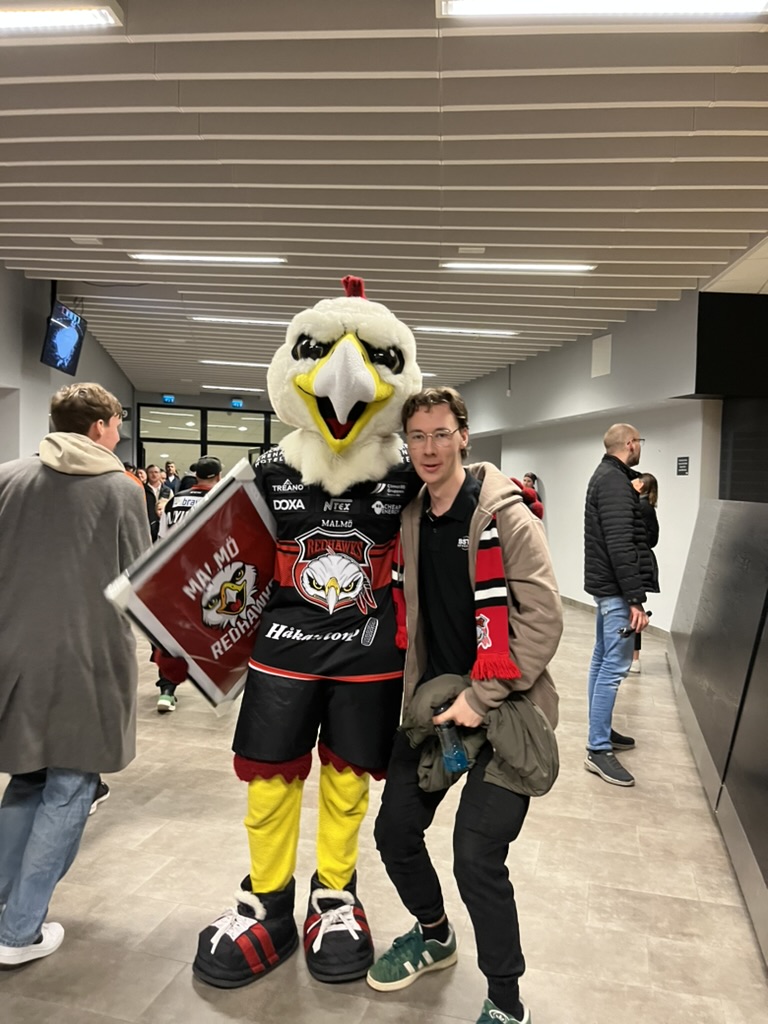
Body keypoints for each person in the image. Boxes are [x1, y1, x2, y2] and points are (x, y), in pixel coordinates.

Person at [192, 277, 423, 989]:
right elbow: (213, 568)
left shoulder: (409, 475)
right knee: (270, 781)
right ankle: (268, 901)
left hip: (370, 657)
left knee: (350, 782)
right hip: (282, 655)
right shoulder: (262, 471)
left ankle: (335, 894)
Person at [367, 387, 562, 1024]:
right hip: (437, 706)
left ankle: (506, 1001)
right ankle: (434, 933)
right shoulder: (413, 516)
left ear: (463, 436)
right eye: (416, 436)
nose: (427, 448)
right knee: (395, 832)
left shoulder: (504, 516)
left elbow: (543, 621)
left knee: (477, 857)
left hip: (507, 709)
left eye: (439, 433)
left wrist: (483, 697)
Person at [0, 382, 150, 966]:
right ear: (99, 428)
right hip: (86, 658)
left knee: (27, 779)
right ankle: (19, 931)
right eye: (117, 420)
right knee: (70, 786)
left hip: (14, 653)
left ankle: (6, 909)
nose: (119, 429)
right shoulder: (120, 489)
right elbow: (139, 580)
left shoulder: (9, 476)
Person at [583, 424, 658, 787]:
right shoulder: (613, 482)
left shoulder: (609, 477)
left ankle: (602, 731)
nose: (639, 446)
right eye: (638, 441)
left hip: (608, 589)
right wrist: (634, 599)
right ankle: (598, 749)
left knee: (602, 660)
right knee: (614, 668)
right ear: (630, 444)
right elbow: (620, 544)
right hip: (616, 591)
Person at [154, 456, 223, 713]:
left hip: (175, 576)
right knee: (218, 633)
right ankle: (218, 688)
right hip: (208, 578)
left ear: (196, 475)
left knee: (171, 636)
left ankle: (166, 691)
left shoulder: (174, 501)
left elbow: (161, 540)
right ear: (218, 476)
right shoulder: (219, 500)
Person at [629, 472, 659, 674]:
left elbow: (651, 538)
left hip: (638, 562)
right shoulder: (645, 506)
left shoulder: (641, 507)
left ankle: (634, 658)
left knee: (634, 609)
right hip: (641, 561)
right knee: (633, 609)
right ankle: (632, 658)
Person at [143, 464, 172, 541]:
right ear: (147, 474)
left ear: (160, 474)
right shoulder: (142, 489)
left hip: (164, 526)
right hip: (147, 525)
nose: (154, 474)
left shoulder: (168, 490)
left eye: (156, 472)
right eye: (151, 472)